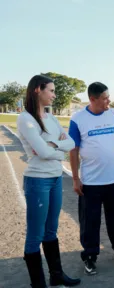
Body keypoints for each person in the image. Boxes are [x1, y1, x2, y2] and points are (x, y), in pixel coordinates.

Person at [18, 75, 80, 287]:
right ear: (38, 90)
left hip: (55, 178)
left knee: (51, 230)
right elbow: (43, 153)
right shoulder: (25, 119)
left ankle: (56, 275)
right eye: (51, 91)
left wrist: (51, 147)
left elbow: (70, 143)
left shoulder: (51, 118)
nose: (54, 95)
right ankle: (38, 284)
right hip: (38, 181)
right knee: (35, 234)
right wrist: (55, 148)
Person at [69, 82, 114, 275]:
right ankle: (90, 256)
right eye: (105, 98)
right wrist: (75, 178)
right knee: (90, 223)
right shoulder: (78, 119)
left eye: (109, 97)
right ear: (93, 99)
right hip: (90, 183)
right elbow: (73, 150)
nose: (109, 101)